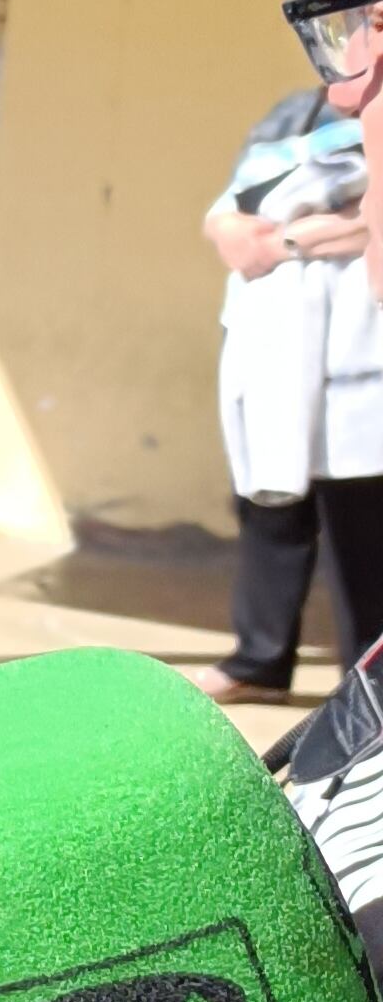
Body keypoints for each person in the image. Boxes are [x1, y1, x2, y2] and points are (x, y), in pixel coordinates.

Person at [194, 83, 383, 704]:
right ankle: (260, 658)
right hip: (271, 337)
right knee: (270, 503)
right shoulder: (294, 112)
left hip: (356, 337)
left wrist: (283, 244)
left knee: (361, 512)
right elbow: (230, 203)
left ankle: (368, 683)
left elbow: (373, 218)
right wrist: (229, 230)